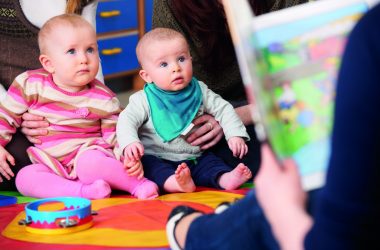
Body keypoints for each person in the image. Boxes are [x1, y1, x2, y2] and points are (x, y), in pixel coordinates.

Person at [164, 3, 380, 249]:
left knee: (291, 184)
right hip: (214, 120)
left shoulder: (369, 34)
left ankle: (200, 235)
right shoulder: (176, 8)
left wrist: (282, 208)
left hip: (266, 115)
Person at [0, 14, 158, 199]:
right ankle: (83, 192)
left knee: (90, 165)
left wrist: (126, 158)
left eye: (90, 50)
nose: (84, 58)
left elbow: (114, 135)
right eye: (72, 51)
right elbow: (6, 115)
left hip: (88, 152)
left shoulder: (103, 97)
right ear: (48, 63)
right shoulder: (30, 84)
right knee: (25, 179)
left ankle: (138, 185)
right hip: (50, 161)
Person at [152, 0, 308, 179]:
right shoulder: (171, 5)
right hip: (202, 110)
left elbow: (308, 76)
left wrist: (234, 116)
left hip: (274, 102)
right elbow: (163, 76)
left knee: (289, 156)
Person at [117, 27, 252, 194]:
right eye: (164, 64)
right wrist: (130, 142)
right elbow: (126, 119)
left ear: (191, 59)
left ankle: (225, 178)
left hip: (194, 157)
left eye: (181, 59)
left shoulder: (199, 91)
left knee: (211, 163)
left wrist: (234, 134)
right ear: (147, 76)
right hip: (157, 156)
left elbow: (223, 109)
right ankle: (176, 182)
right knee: (150, 169)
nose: (175, 68)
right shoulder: (143, 99)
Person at [0, 0, 102, 190]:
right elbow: (6, 114)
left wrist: (97, 110)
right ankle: (78, 188)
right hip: (10, 100)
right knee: (12, 165)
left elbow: (89, 53)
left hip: (57, 105)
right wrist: (17, 113)